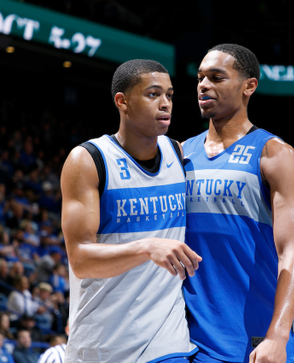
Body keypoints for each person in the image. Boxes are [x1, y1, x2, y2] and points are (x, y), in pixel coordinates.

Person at [60, 59, 201, 362]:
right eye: (153, 94)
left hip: (168, 341)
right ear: (122, 101)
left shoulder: (177, 153)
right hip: (102, 345)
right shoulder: (88, 160)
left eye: (170, 95)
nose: (165, 104)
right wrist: (147, 247)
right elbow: (81, 260)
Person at [183, 43, 294, 363]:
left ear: (248, 86)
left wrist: (278, 336)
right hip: (194, 341)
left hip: (260, 339)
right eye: (200, 77)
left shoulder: (274, 153)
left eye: (216, 77)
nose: (203, 85)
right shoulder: (180, 154)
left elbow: (292, 252)